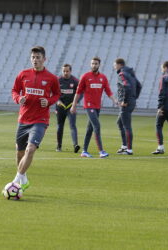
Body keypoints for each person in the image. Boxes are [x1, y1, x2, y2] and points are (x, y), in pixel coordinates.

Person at [11, 46, 60, 191]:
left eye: (38, 57)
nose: (35, 60)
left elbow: (57, 94)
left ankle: (15, 181)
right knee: (20, 152)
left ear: (44, 59)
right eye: (33, 57)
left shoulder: (51, 78)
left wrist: (49, 101)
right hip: (24, 118)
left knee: (30, 149)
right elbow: (14, 90)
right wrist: (18, 98)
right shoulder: (23, 74)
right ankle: (23, 179)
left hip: (40, 120)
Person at [70, 57, 117, 158]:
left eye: (96, 64)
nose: (94, 65)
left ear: (99, 65)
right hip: (89, 106)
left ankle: (84, 151)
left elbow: (108, 91)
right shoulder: (85, 76)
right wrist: (74, 105)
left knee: (90, 129)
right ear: (90, 64)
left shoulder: (103, 77)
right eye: (92, 63)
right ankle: (101, 151)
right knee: (97, 126)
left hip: (97, 106)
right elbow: (78, 92)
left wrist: (114, 100)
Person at [114, 58, 142, 155]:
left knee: (126, 126)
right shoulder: (131, 74)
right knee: (119, 123)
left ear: (119, 65)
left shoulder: (122, 74)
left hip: (126, 103)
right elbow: (139, 86)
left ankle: (129, 150)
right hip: (131, 100)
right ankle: (124, 146)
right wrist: (134, 98)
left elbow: (126, 86)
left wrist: (125, 100)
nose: (114, 67)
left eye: (115, 65)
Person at [56, 63, 81, 153]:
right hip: (60, 107)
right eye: (64, 71)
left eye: (67, 71)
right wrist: (57, 100)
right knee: (60, 126)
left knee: (72, 125)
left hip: (71, 107)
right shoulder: (58, 80)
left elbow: (81, 92)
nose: (65, 73)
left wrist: (75, 102)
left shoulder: (75, 81)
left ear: (70, 71)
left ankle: (75, 145)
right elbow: (53, 92)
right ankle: (59, 146)